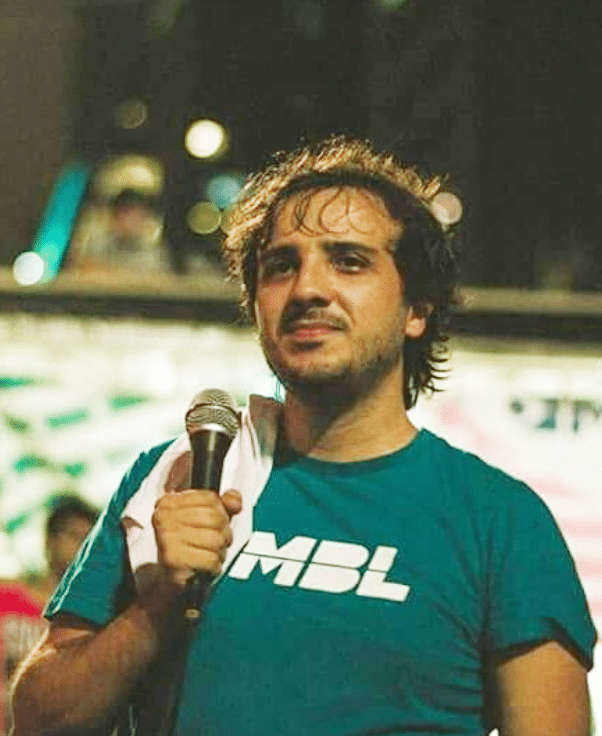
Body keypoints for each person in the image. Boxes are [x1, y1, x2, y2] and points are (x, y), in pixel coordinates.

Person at [11, 137, 597, 736]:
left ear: (417, 309)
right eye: (281, 266)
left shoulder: (499, 521)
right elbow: (37, 721)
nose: (306, 289)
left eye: (349, 261)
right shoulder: (175, 477)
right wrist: (159, 605)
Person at [0, 494, 98, 734]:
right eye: (74, 536)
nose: (81, 548)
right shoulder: (7, 600)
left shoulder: (88, 619)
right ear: (49, 541)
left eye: (89, 540)